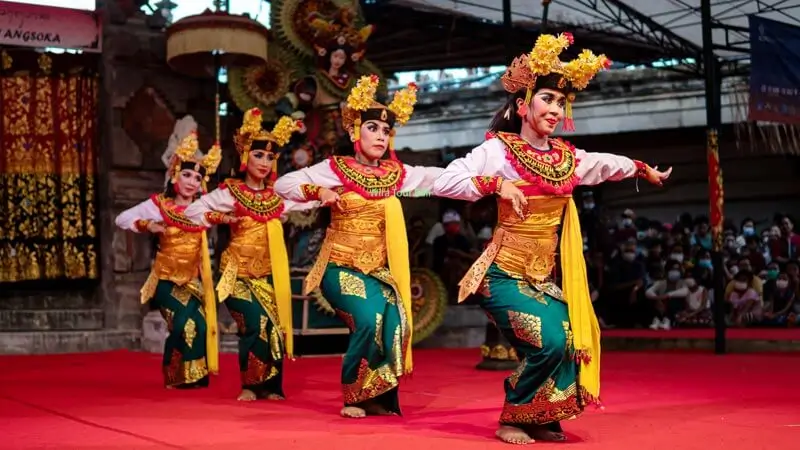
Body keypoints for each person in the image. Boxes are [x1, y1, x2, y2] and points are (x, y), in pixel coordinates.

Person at [431, 33, 671, 444]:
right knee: (552, 341)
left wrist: (638, 167)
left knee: (570, 339)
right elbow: (446, 181)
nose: (556, 109)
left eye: (561, 102)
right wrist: (496, 184)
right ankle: (512, 417)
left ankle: (538, 415)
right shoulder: (498, 151)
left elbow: (601, 164)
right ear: (523, 106)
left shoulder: (565, 157)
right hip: (501, 275)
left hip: (542, 278)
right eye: (547, 99)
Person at [273, 75, 442, 418]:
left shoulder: (396, 174)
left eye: (385, 131)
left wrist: (491, 180)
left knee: (395, 321)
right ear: (355, 133)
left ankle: (377, 396)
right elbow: (284, 184)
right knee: (368, 319)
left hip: (377, 272)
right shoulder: (335, 169)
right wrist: (318, 191)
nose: (380, 136)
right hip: (339, 267)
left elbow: (436, 178)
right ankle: (354, 394)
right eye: (372, 128)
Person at [184, 110, 304, 402]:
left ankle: (271, 386)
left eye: (269, 157)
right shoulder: (230, 192)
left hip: (268, 274)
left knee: (274, 327)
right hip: (236, 274)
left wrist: (329, 193)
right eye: (258, 155)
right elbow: (192, 211)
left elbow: (306, 200)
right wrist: (222, 218)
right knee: (254, 322)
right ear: (245, 157)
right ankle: (250, 385)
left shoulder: (277, 196)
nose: (264, 162)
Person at [115, 125, 221, 389]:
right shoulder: (160, 205)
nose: (191, 182)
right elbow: (122, 218)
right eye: (186, 175)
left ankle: (195, 374)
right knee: (184, 323)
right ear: (175, 176)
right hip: (166, 281)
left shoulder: (203, 208)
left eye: (197, 178)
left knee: (199, 324)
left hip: (193, 281)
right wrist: (147, 225)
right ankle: (176, 374)